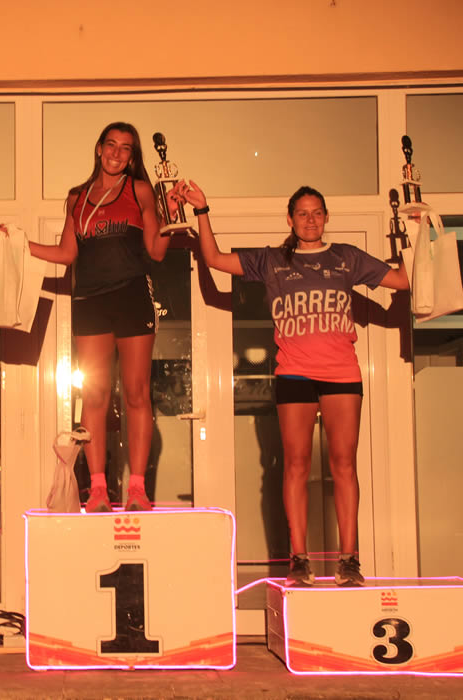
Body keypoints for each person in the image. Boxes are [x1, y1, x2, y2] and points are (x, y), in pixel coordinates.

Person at [180, 182, 408, 587]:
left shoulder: (346, 258)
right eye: (302, 213)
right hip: (294, 373)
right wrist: (202, 210)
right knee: (296, 464)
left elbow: (404, 281)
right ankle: (299, 559)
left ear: (326, 217)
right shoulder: (272, 260)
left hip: (341, 373)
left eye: (317, 212)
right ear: (290, 219)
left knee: (343, 465)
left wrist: (416, 232)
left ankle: (349, 560)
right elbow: (213, 259)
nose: (310, 219)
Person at [25, 122, 170, 513]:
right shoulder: (77, 197)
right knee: (94, 394)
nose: (117, 153)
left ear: (132, 156)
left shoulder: (140, 190)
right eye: (111, 145)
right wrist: (19, 243)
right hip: (90, 300)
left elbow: (157, 251)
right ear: (99, 148)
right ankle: (99, 489)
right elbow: (65, 254)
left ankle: (137, 489)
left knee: (136, 391)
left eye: (125, 148)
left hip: (132, 295)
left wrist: (172, 216)